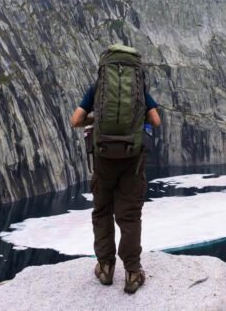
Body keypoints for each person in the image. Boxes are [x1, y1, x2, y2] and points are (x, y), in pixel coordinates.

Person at [70, 47, 160, 294]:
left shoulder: (97, 89)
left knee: (102, 211)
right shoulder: (139, 90)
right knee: (129, 216)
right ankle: (132, 273)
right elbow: (155, 121)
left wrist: (95, 120)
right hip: (132, 159)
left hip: (103, 158)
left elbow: (75, 120)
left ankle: (106, 267)